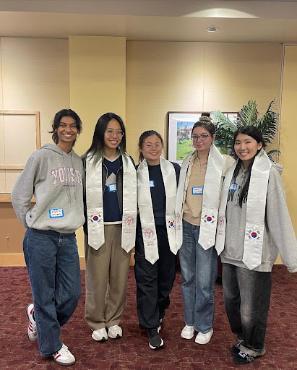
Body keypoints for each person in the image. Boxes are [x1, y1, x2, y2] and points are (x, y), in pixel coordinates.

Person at [216, 126, 297, 364]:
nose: (242, 147)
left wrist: (290, 258)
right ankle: (243, 337)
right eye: (238, 143)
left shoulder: (268, 174)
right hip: (230, 250)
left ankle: (254, 345)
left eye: (248, 142)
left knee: (251, 306)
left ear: (259, 145)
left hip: (254, 252)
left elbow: (278, 214)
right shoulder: (232, 171)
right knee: (232, 302)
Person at [11, 109, 84, 366]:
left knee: (72, 293)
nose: (68, 130)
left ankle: (39, 320)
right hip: (41, 237)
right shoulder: (41, 156)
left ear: (78, 129)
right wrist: (30, 223)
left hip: (68, 237)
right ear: (55, 129)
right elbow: (19, 195)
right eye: (63, 125)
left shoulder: (78, 161)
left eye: (73, 125)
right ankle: (52, 346)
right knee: (44, 293)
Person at [176, 113, 233, 345]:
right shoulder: (187, 161)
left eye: (204, 136)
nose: (199, 140)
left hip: (207, 228)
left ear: (213, 138)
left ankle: (204, 325)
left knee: (204, 281)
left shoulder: (225, 163)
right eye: (195, 136)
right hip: (187, 225)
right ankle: (189, 322)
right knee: (187, 278)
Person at [84, 112, 137, 342]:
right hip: (98, 227)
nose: (115, 136)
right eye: (110, 131)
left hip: (123, 226)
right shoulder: (88, 160)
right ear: (101, 133)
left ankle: (114, 319)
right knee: (96, 278)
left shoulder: (128, 161)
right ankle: (96, 321)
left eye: (119, 131)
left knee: (119, 278)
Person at [134, 130, 180, 350]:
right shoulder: (134, 172)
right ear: (141, 149)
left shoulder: (175, 170)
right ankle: (150, 325)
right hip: (145, 233)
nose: (153, 148)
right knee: (147, 279)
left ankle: (159, 312)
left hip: (170, 233)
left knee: (166, 278)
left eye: (157, 144)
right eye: (148, 145)